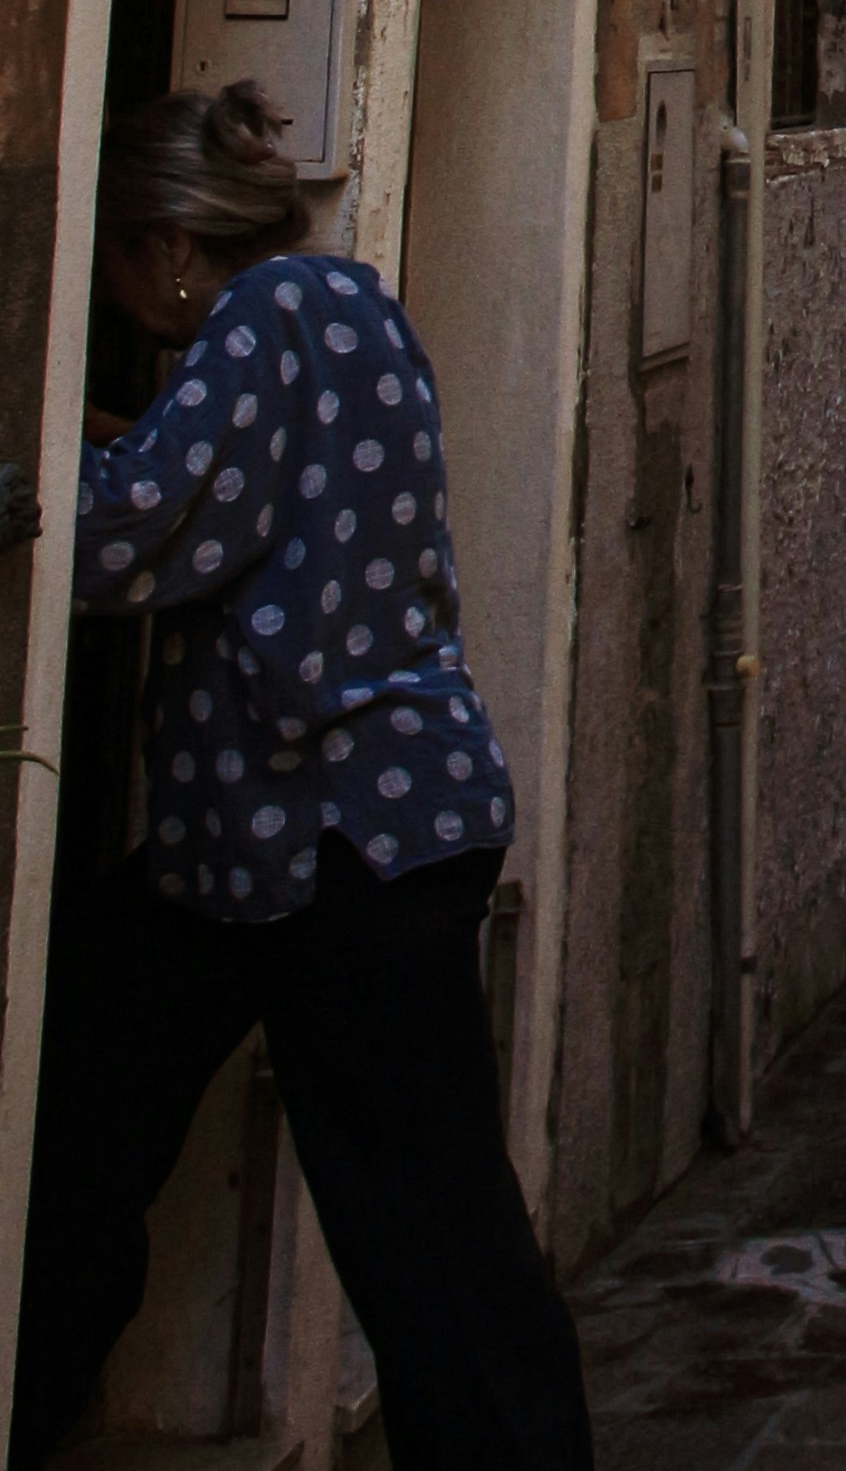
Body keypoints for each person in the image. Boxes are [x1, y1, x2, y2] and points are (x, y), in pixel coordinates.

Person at [11, 82, 593, 1468]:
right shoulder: (343, 304)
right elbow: (225, 492)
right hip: (277, 844)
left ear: (162, 247)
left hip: (333, 840)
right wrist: (108, 439)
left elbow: (134, 537)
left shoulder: (256, 322)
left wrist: (37, 471)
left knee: (425, 1226)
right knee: (92, 1092)